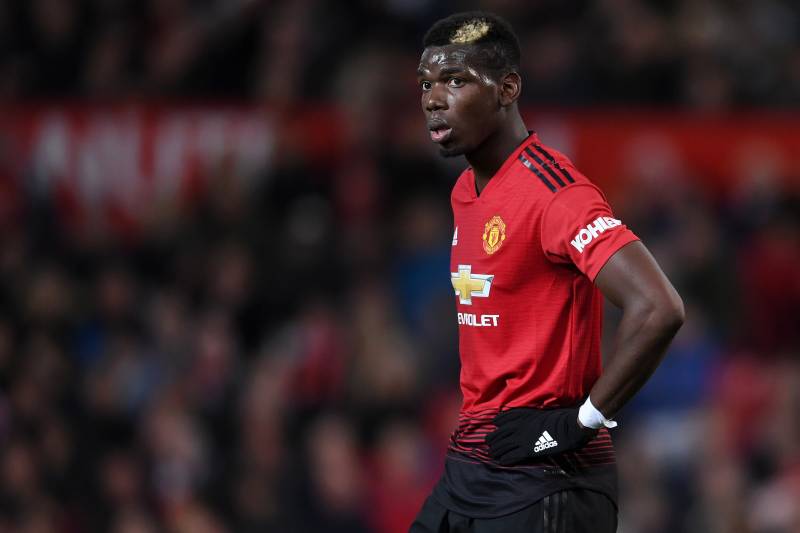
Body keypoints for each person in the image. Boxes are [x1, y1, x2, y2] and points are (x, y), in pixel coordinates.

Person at [411, 11, 685, 533]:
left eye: (456, 81)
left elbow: (659, 307)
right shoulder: (465, 191)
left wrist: (581, 421)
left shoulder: (555, 192)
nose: (432, 99)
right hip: (471, 466)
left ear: (507, 88)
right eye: (427, 83)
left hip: (548, 478)